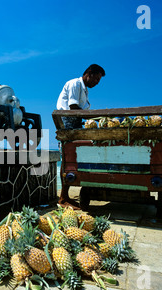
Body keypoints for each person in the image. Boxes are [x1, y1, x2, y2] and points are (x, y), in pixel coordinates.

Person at [56, 64, 105, 209]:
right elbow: (73, 107)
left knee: (77, 158)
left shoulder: (84, 89)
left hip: (75, 124)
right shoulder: (75, 84)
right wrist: (94, 116)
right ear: (88, 74)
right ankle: (63, 197)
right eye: (96, 78)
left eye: (99, 80)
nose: (97, 82)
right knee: (67, 159)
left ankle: (72, 193)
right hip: (68, 124)